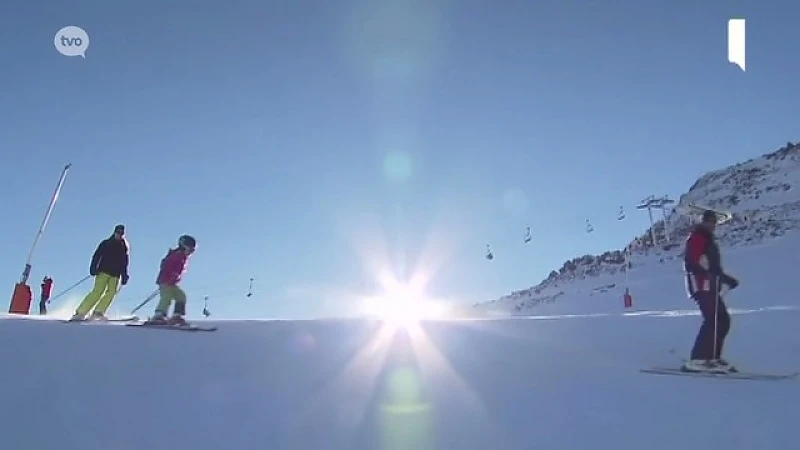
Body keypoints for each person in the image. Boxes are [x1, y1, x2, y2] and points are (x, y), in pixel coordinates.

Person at [682, 210, 739, 373]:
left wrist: (727, 280)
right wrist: (703, 275)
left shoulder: (708, 240)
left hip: (711, 285)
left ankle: (712, 357)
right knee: (713, 320)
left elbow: (713, 268)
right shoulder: (698, 237)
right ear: (703, 221)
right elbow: (691, 261)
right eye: (709, 221)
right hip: (702, 285)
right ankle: (699, 359)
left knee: (722, 320)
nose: (712, 225)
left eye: (714, 222)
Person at [71, 224, 130, 321]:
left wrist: (124, 275)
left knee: (111, 292)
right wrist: (93, 267)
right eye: (118, 233)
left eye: (121, 233)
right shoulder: (106, 243)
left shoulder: (124, 247)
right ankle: (81, 312)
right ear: (114, 232)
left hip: (115, 274)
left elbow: (124, 263)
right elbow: (97, 255)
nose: (119, 235)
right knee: (98, 291)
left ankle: (98, 312)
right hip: (104, 271)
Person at [146, 234, 196, 326]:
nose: (191, 252)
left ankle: (177, 316)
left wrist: (175, 277)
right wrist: (171, 274)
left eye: (193, 250)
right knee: (166, 297)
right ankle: (159, 315)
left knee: (181, 296)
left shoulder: (182, 257)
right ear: (183, 246)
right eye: (190, 249)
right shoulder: (176, 255)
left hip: (172, 283)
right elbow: (165, 265)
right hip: (165, 281)